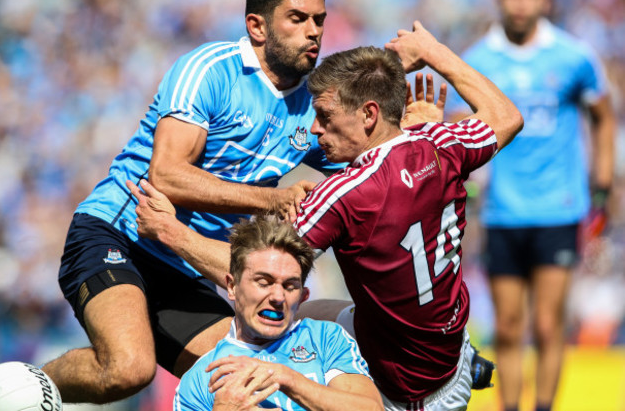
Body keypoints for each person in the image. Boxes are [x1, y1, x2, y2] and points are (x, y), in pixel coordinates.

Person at [128, 21, 523, 410]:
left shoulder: (345, 194)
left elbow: (258, 270)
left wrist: (171, 232)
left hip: (406, 387)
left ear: (369, 115)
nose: (315, 129)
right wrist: (433, 52)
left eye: (326, 116)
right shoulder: (440, 141)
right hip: (447, 340)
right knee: (313, 314)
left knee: (274, 323)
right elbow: (506, 116)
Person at [41, 0, 346, 404]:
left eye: (319, 19)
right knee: (129, 370)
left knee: (252, 382)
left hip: (185, 264)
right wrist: (271, 199)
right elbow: (166, 176)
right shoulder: (210, 69)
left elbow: (370, 170)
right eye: (297, 18)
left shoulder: (313, 108)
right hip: (121, 234)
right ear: (258, 26)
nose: (314, 31)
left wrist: (409, 131)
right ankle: (27, 385)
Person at [448, 0, 616, 410]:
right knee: (506, 326)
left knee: (546, 324)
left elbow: (602, 115)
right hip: (504, 211)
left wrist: (601, 183)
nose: (520, 3)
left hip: (558, 208)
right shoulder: (479, 60)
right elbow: (456, 126)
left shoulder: (574, 56)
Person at [173, 215, 383, 411]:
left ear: (303, 297)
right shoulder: (200, 378)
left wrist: (285, 378)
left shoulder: (325, 338)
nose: (278, 297)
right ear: (232, 286)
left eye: (290, 286)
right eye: (264, 282)